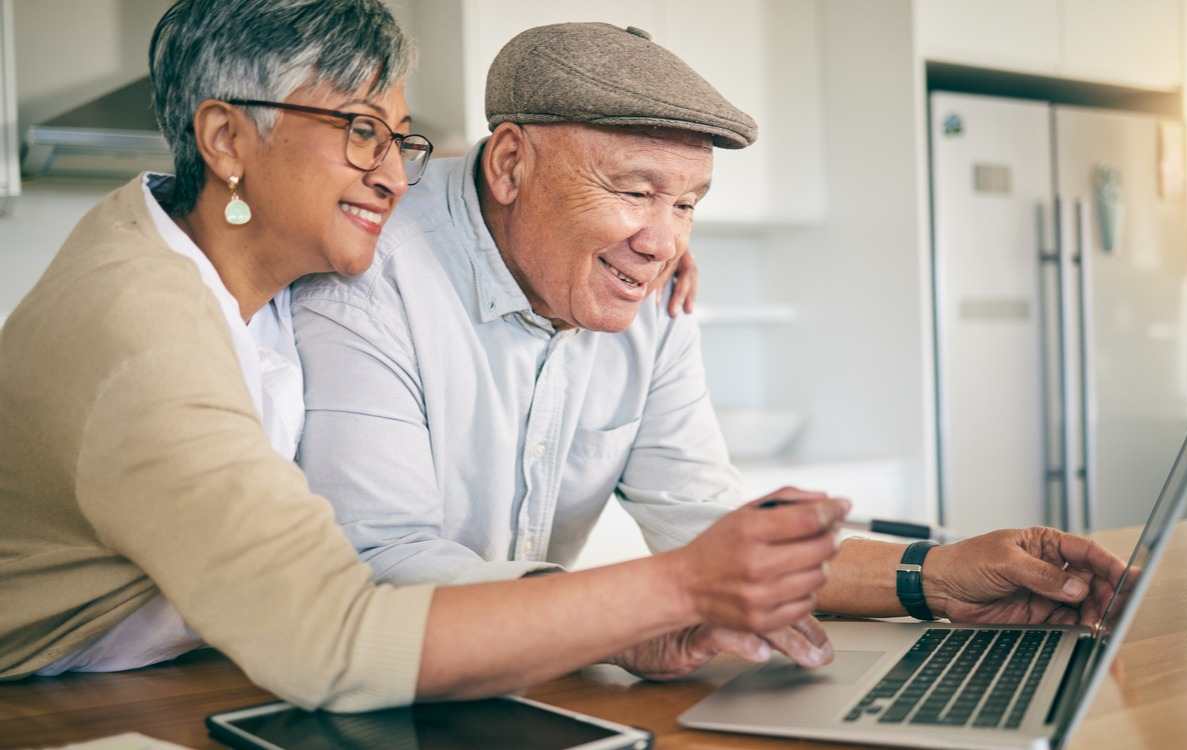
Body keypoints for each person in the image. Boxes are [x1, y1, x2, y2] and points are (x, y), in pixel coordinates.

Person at [0, 0, 848, 711]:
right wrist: (665, 595)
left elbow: (468, 195)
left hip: (189, 672)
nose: (397, 178)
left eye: (399, 140)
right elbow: (333, 635)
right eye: (362, 131)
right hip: (46, 704)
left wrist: (627, 225)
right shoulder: (144, 330)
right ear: (225, 141)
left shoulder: (248, 282)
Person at [292, 22, 1128, 634]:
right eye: (633, 190)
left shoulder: (647, 296)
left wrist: (939, 579)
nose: (664, 243)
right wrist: (636, 612)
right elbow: (381, 562)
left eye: (687, 204)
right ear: (510, 163)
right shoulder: (371, 269)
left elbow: (705, 525)